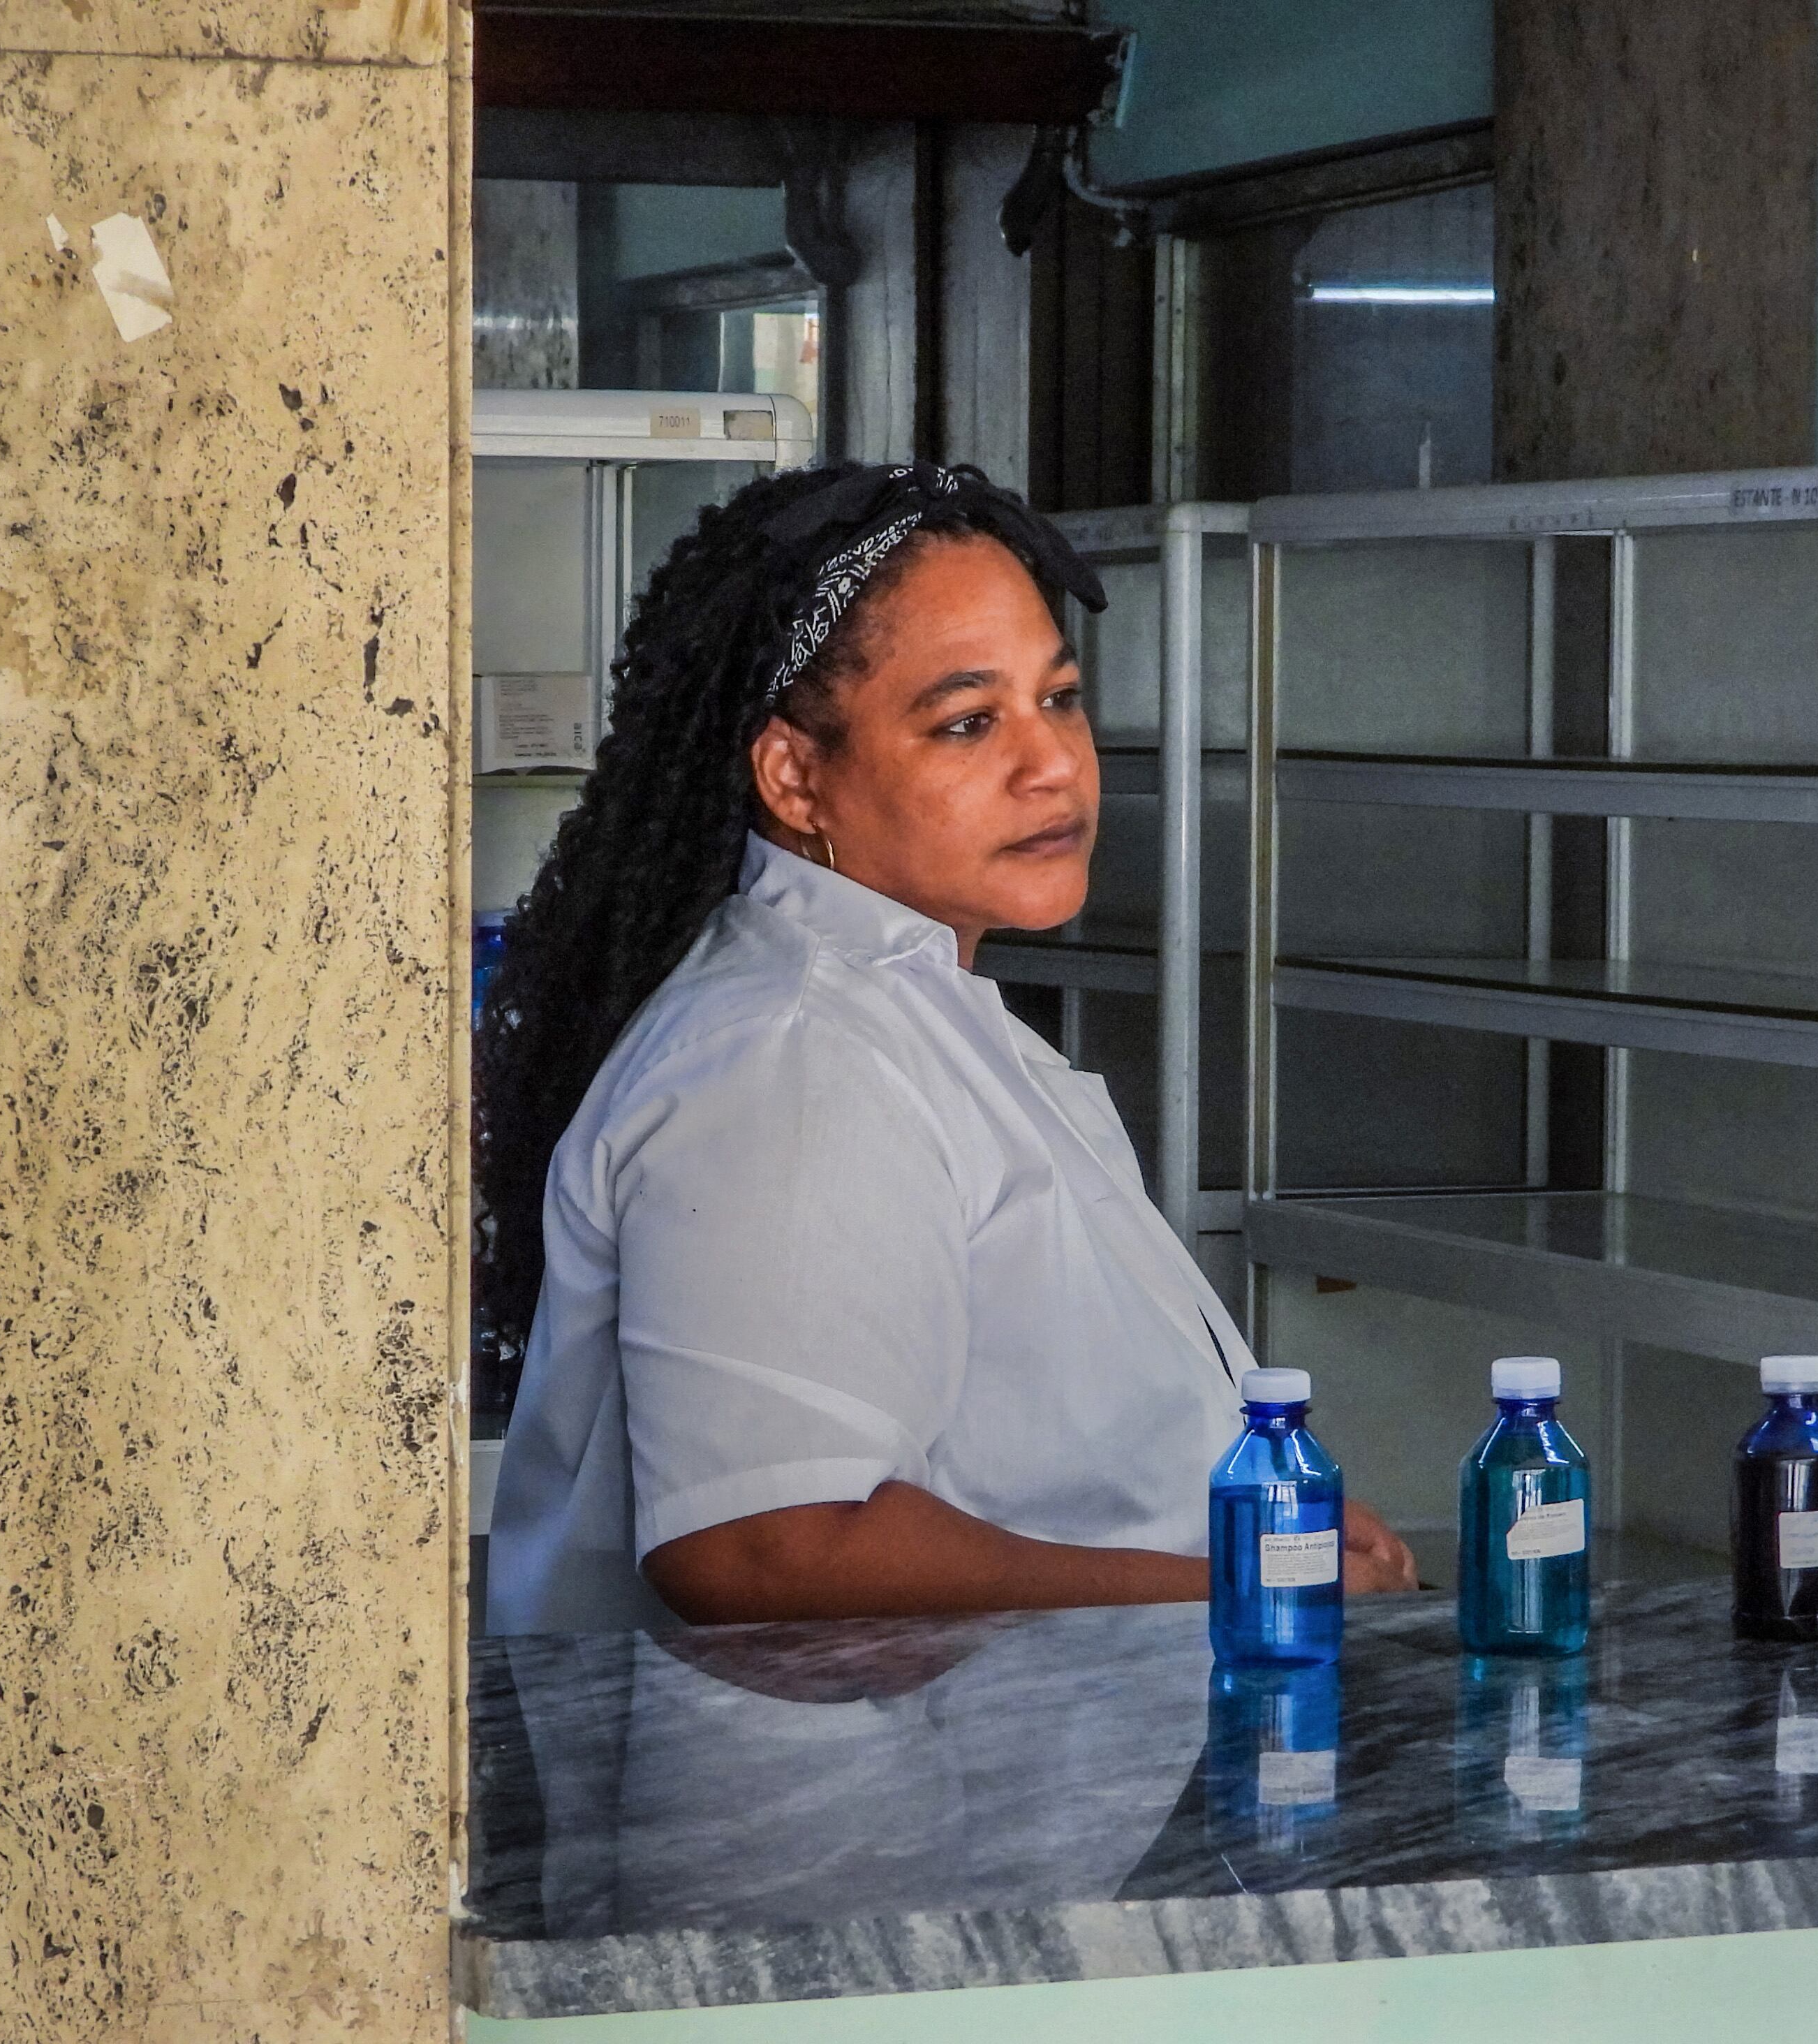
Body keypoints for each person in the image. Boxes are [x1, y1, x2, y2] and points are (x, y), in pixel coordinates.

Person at [478, 462, 1416, 1636]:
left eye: (1060, 699)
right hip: (841, 1812)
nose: (1054, 765)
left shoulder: (907, 1009)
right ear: (794, 775)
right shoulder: (790, 1059)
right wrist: (1249, 1582)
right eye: (969, 722)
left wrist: (1259, 1527)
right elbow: (769, 1550)